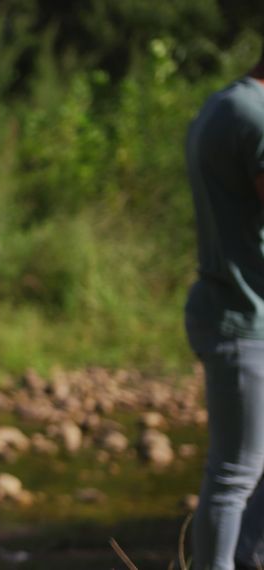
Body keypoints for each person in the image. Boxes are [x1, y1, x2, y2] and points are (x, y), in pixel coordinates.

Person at [185, 47, 264, 570]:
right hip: (246, 320)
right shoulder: (252, 117)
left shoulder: (224, 105)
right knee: (235, 473)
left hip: (232, 309)